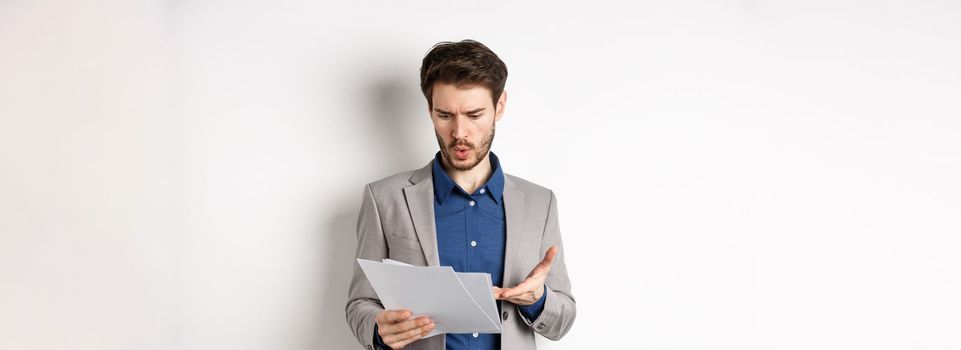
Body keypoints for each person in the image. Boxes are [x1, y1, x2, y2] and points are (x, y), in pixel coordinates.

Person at [346, 39, 576, 350]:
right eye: (445, 115)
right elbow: (360, 303)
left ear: (500, 107)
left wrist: (538, 299)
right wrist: (377, 329)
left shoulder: (540, 203)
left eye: (474, 114)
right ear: (430, 111)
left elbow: (563, 319)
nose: (459, 133)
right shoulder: (383, 198)